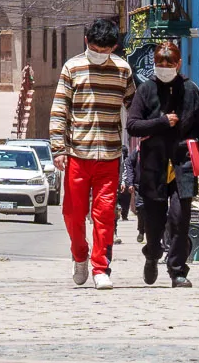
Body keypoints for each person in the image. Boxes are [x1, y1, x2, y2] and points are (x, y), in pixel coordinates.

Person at [48, 17, 135, 290]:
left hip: (109, 156)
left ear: (114, 47)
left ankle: (101, 268)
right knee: (73, 214)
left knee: (105, 214)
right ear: (87, 42)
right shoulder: (72, 68)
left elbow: (134, 106)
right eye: (96, 47)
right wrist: (58, 148)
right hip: (77, 154)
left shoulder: (123, 70)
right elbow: (59, 110)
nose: (100, 53)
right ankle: (79, 255)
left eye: (105, 49)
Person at [126, 40, 199, 287]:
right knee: (154, 223)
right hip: (153, 166)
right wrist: (161, 123)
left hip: (182, 165)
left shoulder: (190, 90)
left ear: (177, 64)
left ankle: (177, 270)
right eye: (158, 63)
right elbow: (132, 125)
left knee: (179, 219)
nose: (163, 67)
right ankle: (152, 255)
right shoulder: (145, 91)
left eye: (168, 63)